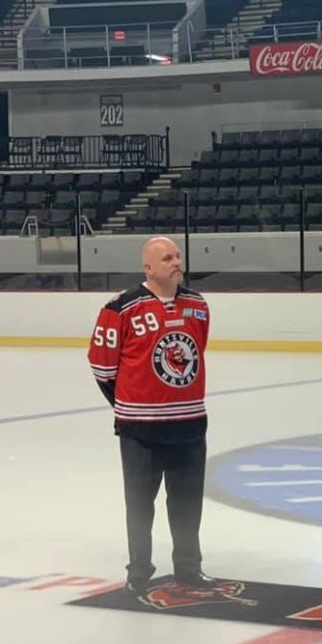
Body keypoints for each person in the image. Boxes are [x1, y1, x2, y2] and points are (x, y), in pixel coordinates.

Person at [88, 236, 229, 601]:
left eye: (178, 255)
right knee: (139, 503)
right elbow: (102, 366)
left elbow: (197, 350)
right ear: (148, 267)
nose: (176, 262)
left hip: (189, 422)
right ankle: (139, 571)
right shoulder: (120, 308)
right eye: (167, 257)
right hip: (140, 428)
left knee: (186, 502)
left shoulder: (198, 305)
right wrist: (131, 403)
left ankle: (188, 567)